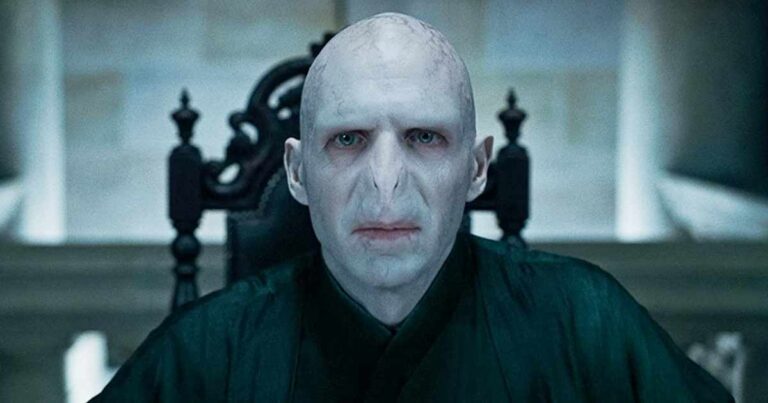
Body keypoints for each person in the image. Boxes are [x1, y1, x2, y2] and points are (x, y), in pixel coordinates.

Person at [92, 12, 732, 402]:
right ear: (297, 172)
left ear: (476, 169)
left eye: (424, 138)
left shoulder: (586, 323)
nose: (385, 184)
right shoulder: (205, 351)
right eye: (348, 140)